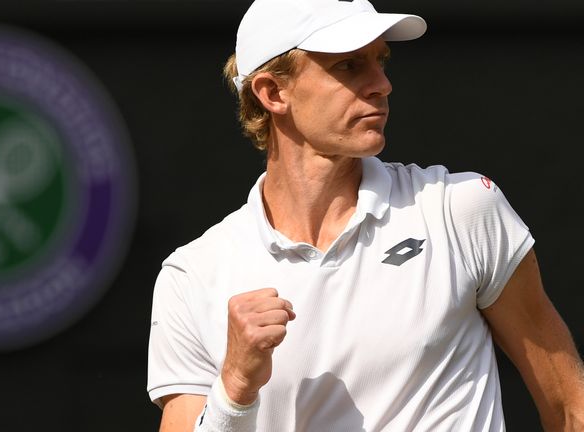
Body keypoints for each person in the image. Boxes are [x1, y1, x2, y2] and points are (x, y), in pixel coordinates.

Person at [146, 0, 584, 430]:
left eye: (381, 61)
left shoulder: (462, 208)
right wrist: (235, 386)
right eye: (349, 66)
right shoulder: (191, 276)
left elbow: (570, 407)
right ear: (273, 93)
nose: (382, 84)